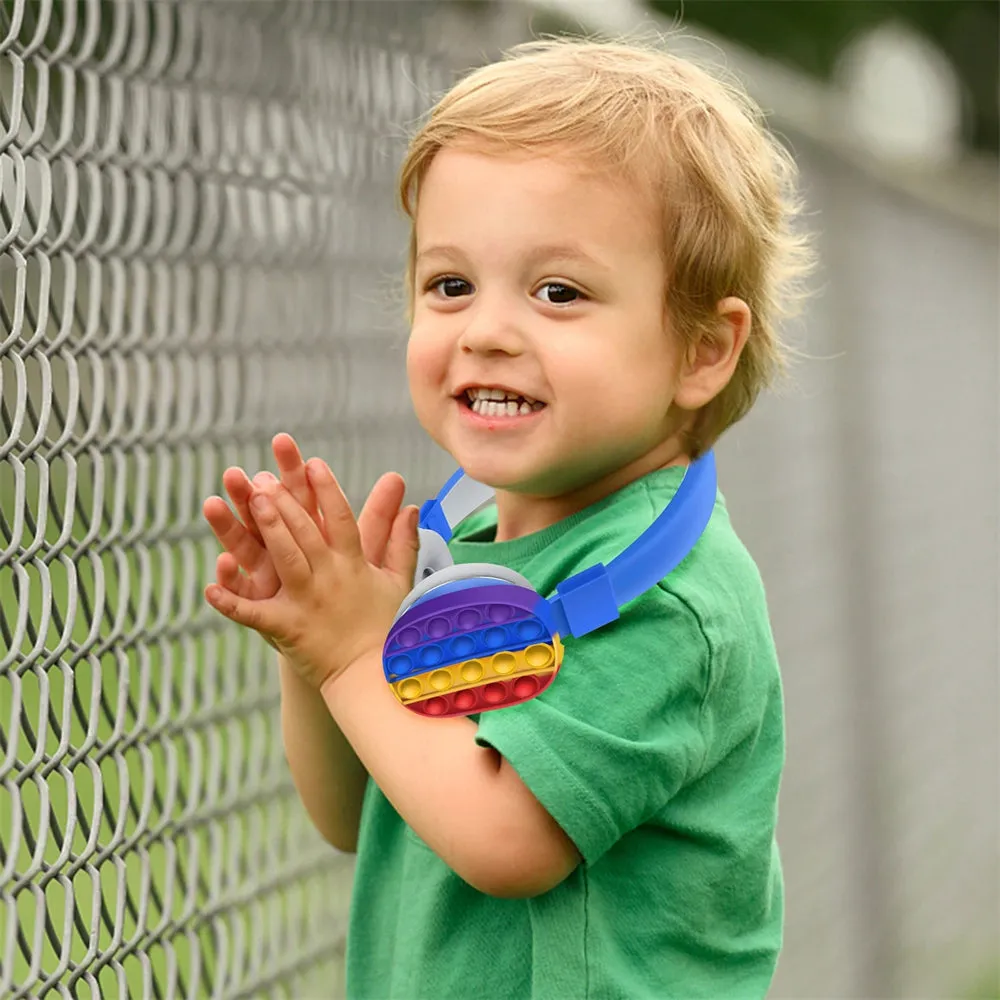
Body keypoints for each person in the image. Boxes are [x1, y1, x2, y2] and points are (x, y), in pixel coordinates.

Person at [202, 36, 812, 1000]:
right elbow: (361, 812)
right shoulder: (477, 560)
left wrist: (358, 651)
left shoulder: (668, 598)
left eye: (557, 292)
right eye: (451, 285)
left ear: (702, 349)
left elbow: (505, 841)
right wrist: (311, 648)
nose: (485, 328)